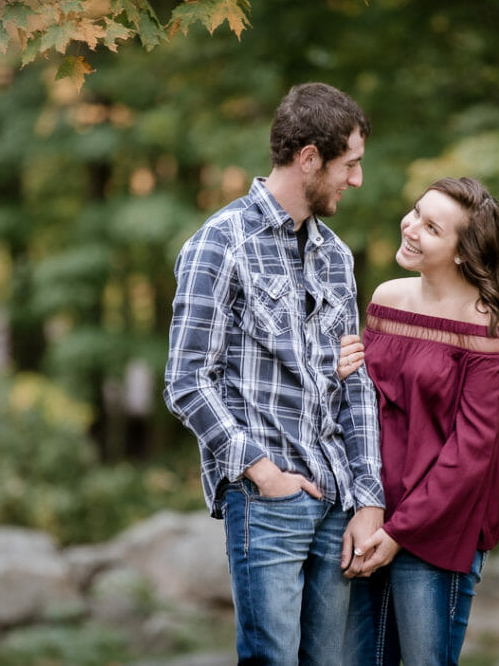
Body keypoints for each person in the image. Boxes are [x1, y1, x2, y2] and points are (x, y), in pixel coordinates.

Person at [163, 82, 385, 665]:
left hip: (337, 501)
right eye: (350, 164)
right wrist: (262, 472)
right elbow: (187, 380)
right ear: (309, 157)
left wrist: (369, 499)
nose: (357, 180)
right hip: (268, 503)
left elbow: (356, 386)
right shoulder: (220, 244)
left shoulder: (337, 257)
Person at [341, 176, 499, 666]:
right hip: (371, 514)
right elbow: (364, 406)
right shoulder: (386, 299)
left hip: (439, 529)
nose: (410, 227)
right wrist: (339, 371)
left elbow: (471, 452)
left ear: (462, 252)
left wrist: (400, 532)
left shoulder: (484, 325)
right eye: (415, 213)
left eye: (431, 227)